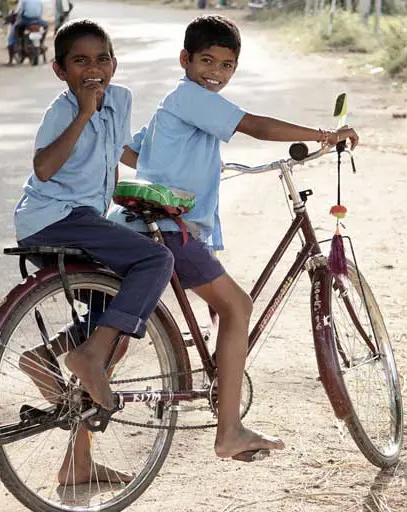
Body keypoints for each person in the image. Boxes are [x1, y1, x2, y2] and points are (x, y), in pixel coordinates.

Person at [108, 14, 358, 462]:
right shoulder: (191, 97)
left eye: (227, 66)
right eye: (207, 60)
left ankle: (59, 358)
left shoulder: (173, 107)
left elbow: (133, 152)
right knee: (238, 306)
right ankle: (229, 431)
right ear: (185, 59)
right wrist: (326, 135)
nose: (216, 73)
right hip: (171, 229)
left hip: (153, 227)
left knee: (201, 315)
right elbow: (256, 126)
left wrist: (185, 164)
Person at [14, 19, 174, 484]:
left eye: (101, 59)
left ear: (114, 64)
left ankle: (48, 358)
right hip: (54, 217)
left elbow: (119, 151)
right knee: (155, 260)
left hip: (85, 221)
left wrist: (169, 176)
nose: (93, 68)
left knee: (116, 304)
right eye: (80, 61)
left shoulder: (120, 100)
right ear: (59, 70)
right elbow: (44, 169)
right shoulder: (62, 110)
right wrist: (83, 112)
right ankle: (85, 360)